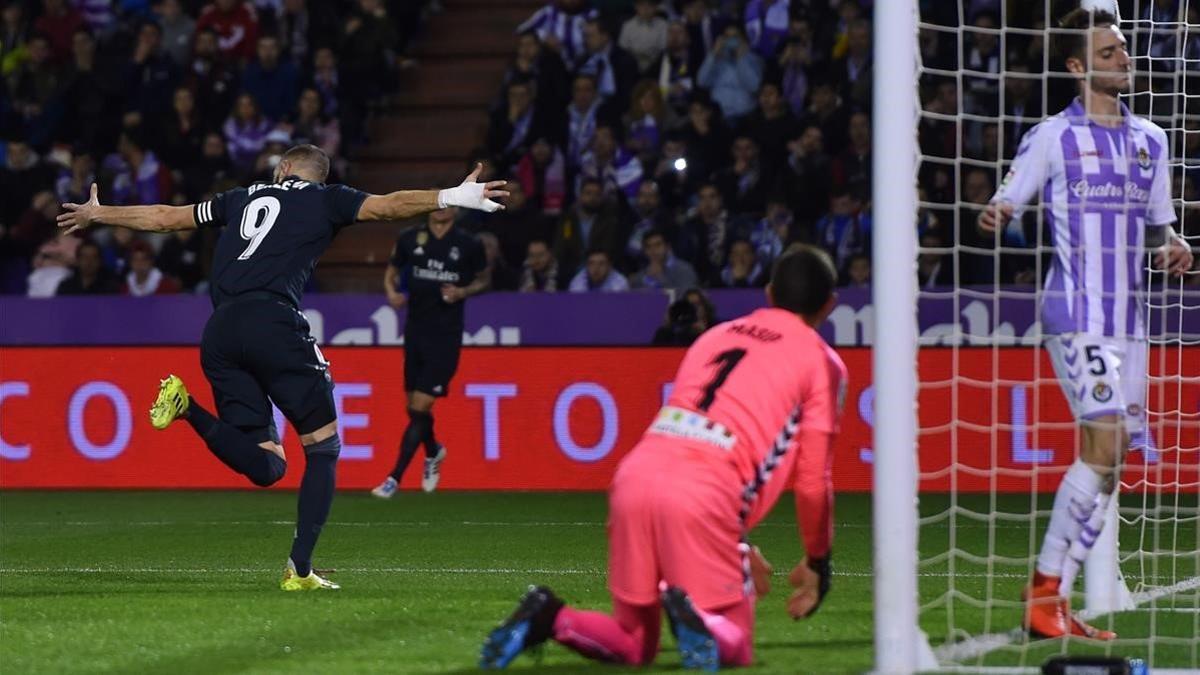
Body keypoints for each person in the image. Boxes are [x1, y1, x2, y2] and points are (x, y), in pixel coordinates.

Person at [56, 145, 507, 592]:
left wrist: (100, 214)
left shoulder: (238, 197)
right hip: (273, 321)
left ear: (286, 168)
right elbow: (390, 206)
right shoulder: (327, 197)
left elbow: (164, 218)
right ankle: (300, 570)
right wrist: (450, 196)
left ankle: (186, 407)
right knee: (324, 447)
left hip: (220, 331)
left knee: (268, 467)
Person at [480, 245, 846, 669]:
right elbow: (813, 482)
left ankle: (549, 615)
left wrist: (736, 543)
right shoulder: (821, 362)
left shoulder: (716, 335)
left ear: (768, 293)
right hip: (706, 492)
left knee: (634, 644)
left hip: (637, 474)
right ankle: (698, 618)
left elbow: (699, 434)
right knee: (737, 647)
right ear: (830, 305)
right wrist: (819, 560)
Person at [978, 8, 1193, 640]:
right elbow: (1009, 195)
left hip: (1130, 320)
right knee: (1102, 442)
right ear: (1077, 67)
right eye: (1107, 53)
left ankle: (1056, 595)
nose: (1123, 59)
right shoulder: (1053, 136)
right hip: (1076, 313)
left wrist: (1173, 246)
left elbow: (1158, 228)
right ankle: (1044, 593)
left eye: (1123, 50)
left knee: (1113, 459)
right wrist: (999, 209)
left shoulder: (1152, 140)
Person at [371, 207, 490, 498]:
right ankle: (434, 450)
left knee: (421, 407)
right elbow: (391, 271)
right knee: (412, 406)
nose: (442, 209)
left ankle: (394, 478)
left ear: (457, 209)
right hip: (415, 331)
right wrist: (391, 291)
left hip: (446, 335)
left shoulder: (468, 243)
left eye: (449, 203)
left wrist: (462, 292)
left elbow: (485, 278)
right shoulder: (410, 237)